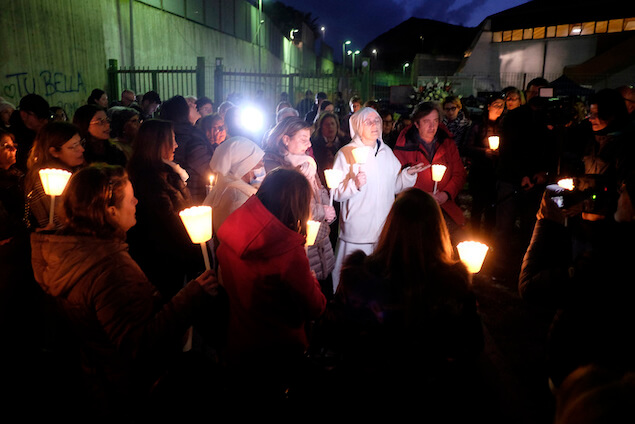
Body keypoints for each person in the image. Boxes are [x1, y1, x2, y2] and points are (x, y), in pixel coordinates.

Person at [30, 163, 221, 422]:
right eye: (130, 198)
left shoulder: (66, 250)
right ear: (110, 211)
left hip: (98, 372)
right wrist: (192, 294)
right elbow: (138, 345)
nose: (137, 201)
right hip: (130, 386)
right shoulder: (110, 270)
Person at [308, 188, 485, 415]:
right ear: (437, 230)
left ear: (391, 226)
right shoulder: (452, 286)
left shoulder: (361, 279)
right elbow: (471, 347)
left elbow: (331, 333)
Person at [215, 167, 327, 402]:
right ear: (297, 204)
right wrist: (312, 282)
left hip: (239, 342)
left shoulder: (234, 227)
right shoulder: (287, 252)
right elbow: (316, 307)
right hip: (279, 353)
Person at [518, 171, 635, 390]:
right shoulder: (618, 248)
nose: (621, 192)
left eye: (626, 189)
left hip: (581, 381)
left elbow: (529, 287)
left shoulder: (604, 264)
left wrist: (544, 222)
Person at [330, 107, 424, 291]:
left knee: (378, 278)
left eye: (377, 121)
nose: (375, 125)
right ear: (357, 126)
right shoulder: (346, 153)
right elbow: (337, 193)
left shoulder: (386, 153)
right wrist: (354, 184)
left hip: (382, 229)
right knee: (350, 276)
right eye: (369, 122)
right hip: (357, 229)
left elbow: (393, 187)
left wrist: (407, 175)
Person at [126, 119, 205, 301]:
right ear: (157, 144)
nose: (176, 146)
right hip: (161, 260)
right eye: (172, 140)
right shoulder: (149, 181)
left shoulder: (168, 173)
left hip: (175, 255)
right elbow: (170, 224)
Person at [263, 117, 337, 298]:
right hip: (298, 240)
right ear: (286, 139)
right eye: (303, 139)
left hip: (320, 238)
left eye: (309, 138)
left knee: (324, 292)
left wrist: (329, 208)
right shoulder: (275, 167)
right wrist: (321, 211)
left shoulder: (308, 163)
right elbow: (288, 207)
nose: (309, 144)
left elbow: (320, 191)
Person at [393, 101, 468, 243]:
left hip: (443, 206)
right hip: (413, 210)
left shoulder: (447, 143)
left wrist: (445, 194)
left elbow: (459, 174)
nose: (432, 126)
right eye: (426, 121)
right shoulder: (404, 147)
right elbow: (396, 183)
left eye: (435, 121)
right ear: (416, 123)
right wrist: (420, 198)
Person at [24, 121, 85, 230]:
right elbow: (61, 222)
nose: (81, 149)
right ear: (54, 152)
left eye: (80, 143)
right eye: (73, 147)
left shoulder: (77, 172)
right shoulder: (47, 179)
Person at [204, 134, 264, 236]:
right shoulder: (238, 198)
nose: (261, 168)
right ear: (243, 167)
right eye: (257, 165)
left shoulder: (229, 188)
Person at [464, 95, 505, 241]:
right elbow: (467, 147)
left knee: (492, 207)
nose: (499, 108)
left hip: (496, 172)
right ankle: (474, 237)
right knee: (478, 205)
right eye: (496, 105)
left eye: (502, 105)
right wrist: (484, 152)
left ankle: (487, 238)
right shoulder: (477, 125)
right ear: (489, 106)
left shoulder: (503, 125)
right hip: (480, 172)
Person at [159, 95, 212, 203]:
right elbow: (208, 168)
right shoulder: (191, 138)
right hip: (195, 195)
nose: (194, 104)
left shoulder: (184, 134)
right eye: (188, 104)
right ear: (181, 113)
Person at [11, 93, 51, 172]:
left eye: (46, 118)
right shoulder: (13, 138)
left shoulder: (45, 133)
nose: (45, 122)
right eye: (40, 118)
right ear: (24, 115)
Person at [310, 111, 345, 188]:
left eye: (332, 124)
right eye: (327, 124)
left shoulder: (344, 143)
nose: (330, 127)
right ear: (321, 127)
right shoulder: (315, 144)